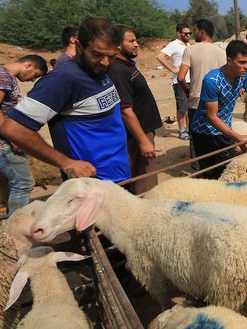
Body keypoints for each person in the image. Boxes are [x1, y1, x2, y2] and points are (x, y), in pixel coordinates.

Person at [1, 18, 130, 181]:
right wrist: (66, 163)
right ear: (79, 45)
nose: (105, 62)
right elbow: (14, 128)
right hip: (92, 185)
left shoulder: (98, 70)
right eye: (97, 54)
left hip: (118, 175)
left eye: (111, 56)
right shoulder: (63, 79)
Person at [191, 41, 247, 179]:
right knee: (212, 176)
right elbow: (212, 117)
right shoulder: (212, 80)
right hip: (206, 133)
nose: (246, 67)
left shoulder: (243, 75)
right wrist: (238, 138)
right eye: (241, 62)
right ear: (229, 60)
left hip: (225, 129)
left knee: (230, 169)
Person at [107, 26, 162, 194]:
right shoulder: (117, 70)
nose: (136, 44)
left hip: (143, 130)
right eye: (131, 41)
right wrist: (143, 140)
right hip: (137, 134)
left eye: (135, 40)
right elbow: (125, 110)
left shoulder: (126, 66)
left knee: (147, 174)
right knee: (144, 179)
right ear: (117, 44)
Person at [0, 55, 47, 212]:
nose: (33, 80)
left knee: (10, 183)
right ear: (28, 65)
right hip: (4, 143)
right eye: (35, 75)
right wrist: (13, 137)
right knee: (23, 183)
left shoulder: (5, 76)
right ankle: (17, 231)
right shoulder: (4, 76)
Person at [177, 19, 226, 171]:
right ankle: (216, 166)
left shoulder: (190, 50)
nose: (193, 33)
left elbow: (180, 77)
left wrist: (188, 92)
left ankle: (198, 170)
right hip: (216, 102)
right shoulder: (221, 52)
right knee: (215, 133)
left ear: (202, 31)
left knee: (195, 136)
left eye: (195, 30)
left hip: (196, 101)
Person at [157, 23, 192, 139]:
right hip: (179, 80)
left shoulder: (189, 45)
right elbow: (160, 56)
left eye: (190, 33)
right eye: (186, 33)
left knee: (190, 106)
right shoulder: (174, 44)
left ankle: (189, 128)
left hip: (191, 79)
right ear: (179, 33)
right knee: (182, 107)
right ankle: (182, 130)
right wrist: (172, 69)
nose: (188, 35)